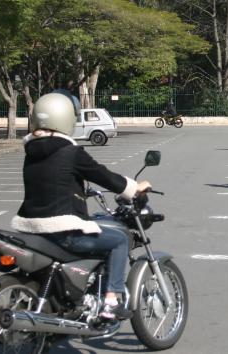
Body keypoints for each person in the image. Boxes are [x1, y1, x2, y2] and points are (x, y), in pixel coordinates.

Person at [10, 90, 151, 321]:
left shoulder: (31, 152)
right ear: (66, 119)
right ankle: (111, 302)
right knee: (119, 240)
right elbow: (103, 176)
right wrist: (134, 188)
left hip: (31, 231)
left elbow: (53, 181)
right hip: (62, 231)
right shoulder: (70, 152)